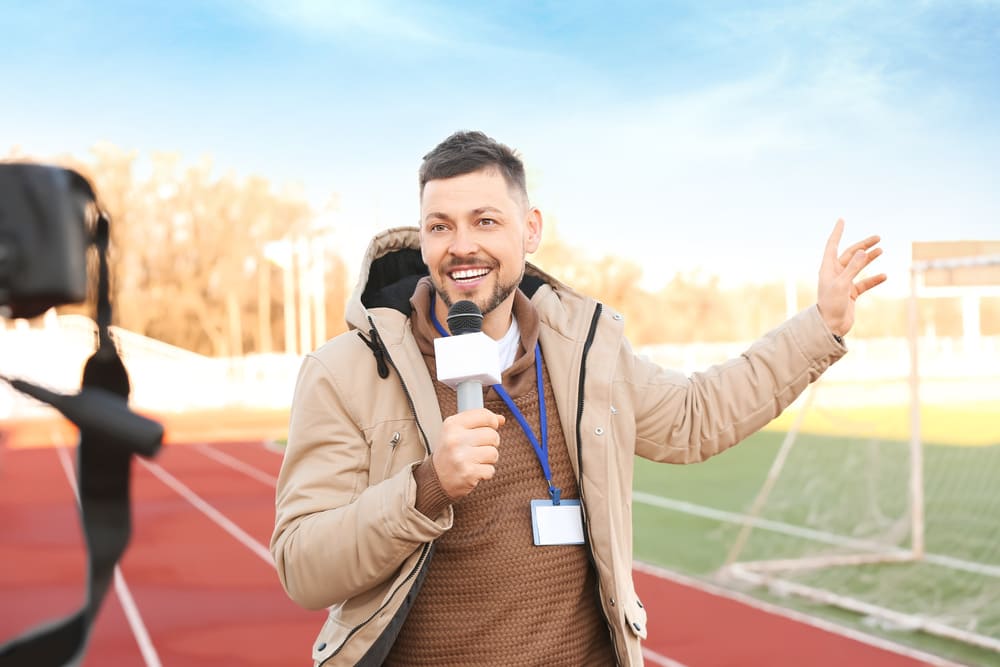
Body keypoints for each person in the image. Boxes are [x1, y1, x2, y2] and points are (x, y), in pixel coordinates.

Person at [270, 130, 886, 666]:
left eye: (486, 220)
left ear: (529, 229)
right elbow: (303, 565)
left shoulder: (583, 350)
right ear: (423, 236)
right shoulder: (346, 370)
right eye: (441, 225)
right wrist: (426, 486)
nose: (462, 245)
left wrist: (821, 326)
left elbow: (695, 417)